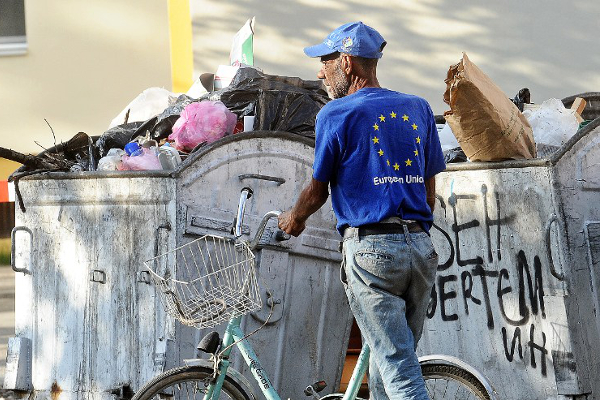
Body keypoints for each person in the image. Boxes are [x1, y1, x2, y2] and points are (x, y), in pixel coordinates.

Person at [278, 22, 446, 399]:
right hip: (420, 249)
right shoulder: (418, 108)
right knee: (390, 364)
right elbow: (429, 191)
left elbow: (318, 190)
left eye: (326, 60)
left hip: (372, 253)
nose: (320, 71)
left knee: (399, 371)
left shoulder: (335, 114)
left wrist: (295, 218)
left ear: (348, 62)